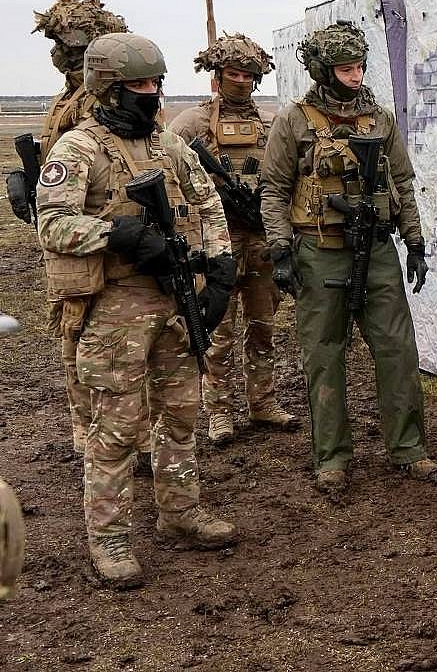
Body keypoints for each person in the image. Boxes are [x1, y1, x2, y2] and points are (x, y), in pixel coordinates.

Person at [36, 32, 240, 589]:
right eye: (139, 85)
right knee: (117, 428)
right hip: (115, 305)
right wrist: (117, 234)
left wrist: (220, 268)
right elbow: (52, 224)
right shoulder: (79, 149)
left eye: (156, 83)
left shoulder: (168, 145)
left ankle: (181, 513)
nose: (151, 94)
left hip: (175, 298)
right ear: (108, 89)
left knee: (181, 413)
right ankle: (109, 539)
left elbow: (207, 202)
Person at [258, 20, 437, 494]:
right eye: (345, 69)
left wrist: (415, 242)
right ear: (323, 70)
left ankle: (409, 447)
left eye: (359, 67)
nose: (355, 77)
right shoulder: (294, 121)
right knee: (324, 354)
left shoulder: (380, 120)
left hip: (377, 249)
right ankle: (332, 456)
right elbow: (273, 190)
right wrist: (281, 250)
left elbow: (403, 184)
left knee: (397, 349)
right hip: (319, 250)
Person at [10, 0, 153, 468]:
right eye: (61, 47)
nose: (66, 56)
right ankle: (88, 434)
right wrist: (29, 185)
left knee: (119, 343)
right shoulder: (64, 102)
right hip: (70, 235)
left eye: (77, 49)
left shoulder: (111, 102)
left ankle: (130, 438)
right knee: (74, 333)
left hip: (109, 236)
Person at [169, 33, 297, 445]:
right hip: (215, 242)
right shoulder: (191, 123)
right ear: (217, 75)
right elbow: (169, 177)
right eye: (233, 74)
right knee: (218, 331)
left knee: (262, 328)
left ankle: (263, 402)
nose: (241, 81)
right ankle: (219, 412)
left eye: (248, 75)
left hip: (260, 239)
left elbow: (286, 177)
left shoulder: (273, 125)